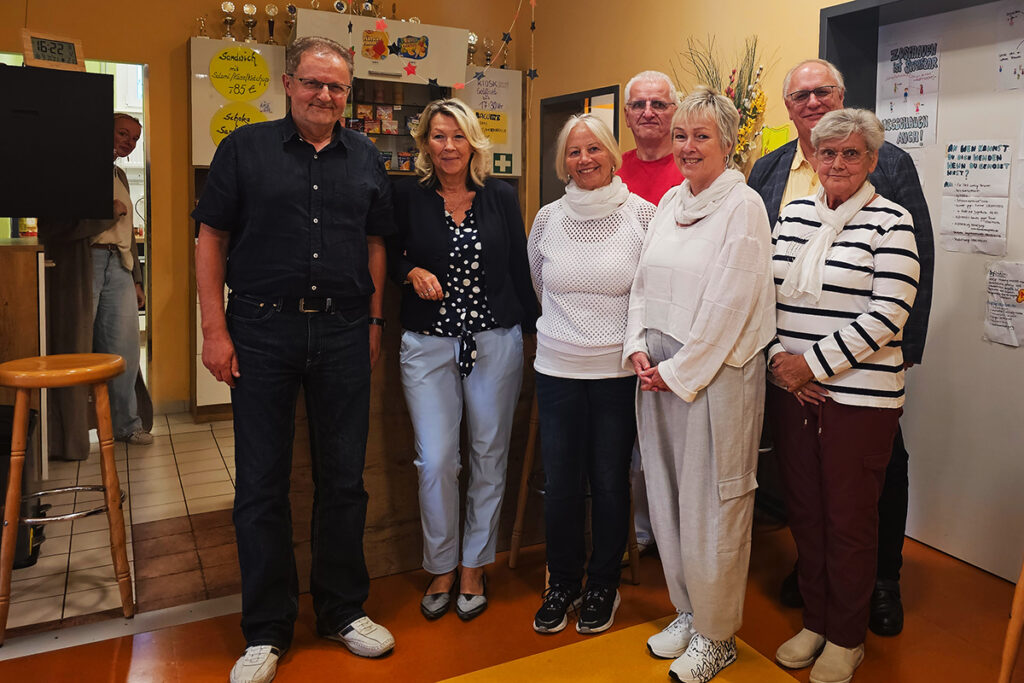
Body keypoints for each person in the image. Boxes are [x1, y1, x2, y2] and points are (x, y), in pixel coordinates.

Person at [193, 36, 395, 683]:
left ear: (348, 94)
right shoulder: (243, 150)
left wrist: (373, 319)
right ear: (288, 83)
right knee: (260, 483)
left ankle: (341, 609)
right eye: (314, 83)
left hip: (341, 332)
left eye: (337, 87)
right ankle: (266, 629)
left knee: (343, 479)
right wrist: (214, 328)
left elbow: (374, 245)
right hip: (259, 330)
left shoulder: (365, 157)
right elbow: (210, 238)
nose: (325, 96)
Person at [747, 58, 934, 636]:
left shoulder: (892, 190)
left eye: (822, 91)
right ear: (789, 110)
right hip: (792, 382)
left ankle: (877, 590)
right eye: (799, 95)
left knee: (861, 502)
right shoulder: (774, 175)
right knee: (806, 502)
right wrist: (783, 363)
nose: (837, 160)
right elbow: (761, 283)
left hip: (861, 382)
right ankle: (817, 599)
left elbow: (902, 290)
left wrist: (821, 364)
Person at [623, 87, 775, 683]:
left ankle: (718, 636)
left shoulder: (744, 208)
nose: (687, 146)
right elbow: (640, 281)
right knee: (666, 495)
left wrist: (679, 373)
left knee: (714, 504)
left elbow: (731, 304)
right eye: (681, 135)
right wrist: (636, 344)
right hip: (658, 370)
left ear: (727, 142)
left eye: (700, 136)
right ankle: (688, 611)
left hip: (713, 376)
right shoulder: (669, 202)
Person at [389, 98, 537, 623]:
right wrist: (410, 272)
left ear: (473, 141)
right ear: (424, 144)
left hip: (494, 339)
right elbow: (389, 253)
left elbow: (519, 266)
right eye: (437, 136)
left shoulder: (499, 195)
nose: (448, 146)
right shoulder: (407, 196)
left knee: (489, 454)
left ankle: (474, 564)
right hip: (428, 344)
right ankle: (441, 564)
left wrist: (533, 330)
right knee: (436, 461)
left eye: (457, 136)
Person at [527, 114, 654, 635]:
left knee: (607, 480)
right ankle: (562, 581)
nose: (585, 159)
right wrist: (571, 334)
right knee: (559, 483)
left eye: (594, 149)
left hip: (616, 373)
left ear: (611, 153)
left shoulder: (643, 217)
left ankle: (604, 582)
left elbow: (648, 297)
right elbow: (541, 284)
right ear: (565, 160)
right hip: (556, 369)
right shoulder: (547, 219)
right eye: (575, 152)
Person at [38, 112, 154, 459]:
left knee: (125, 352)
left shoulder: (119, 174)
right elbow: (54, 224)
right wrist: (106, 211)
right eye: (122, 133)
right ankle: (68, 440)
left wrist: (135, 278)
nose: (128, 142)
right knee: (73, 351)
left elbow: (127, 234)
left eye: (134, 138)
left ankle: (127, 426)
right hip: (81, 264)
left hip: (117, 266)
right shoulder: (72, 168)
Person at [616, 69, 685, 558]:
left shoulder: (692, 168)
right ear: (625, 115)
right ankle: (641, 534)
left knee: (669, 443)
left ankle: (673, 535)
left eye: (659, 104)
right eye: (639, 105)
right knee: (630, 444)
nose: (648, 113)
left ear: (674, 112)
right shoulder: (610, 167)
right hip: (618, 326)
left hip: (674, 326)